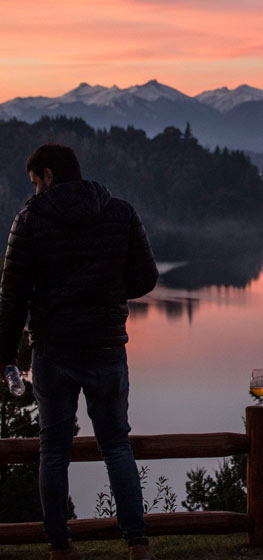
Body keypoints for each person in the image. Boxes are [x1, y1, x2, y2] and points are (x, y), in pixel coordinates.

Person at [0, 144, 159, 560]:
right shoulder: (120, 212)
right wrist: (108, 291)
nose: (34, 191)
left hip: (53, 350)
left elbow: (12, 297)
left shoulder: (30, 220)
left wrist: (6, 357)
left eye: (35, 182)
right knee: (116, 445)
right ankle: (137, 543)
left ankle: (59, 547)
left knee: (54, 451)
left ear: (49, 176)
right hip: (106, 347)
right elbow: (146, 278)